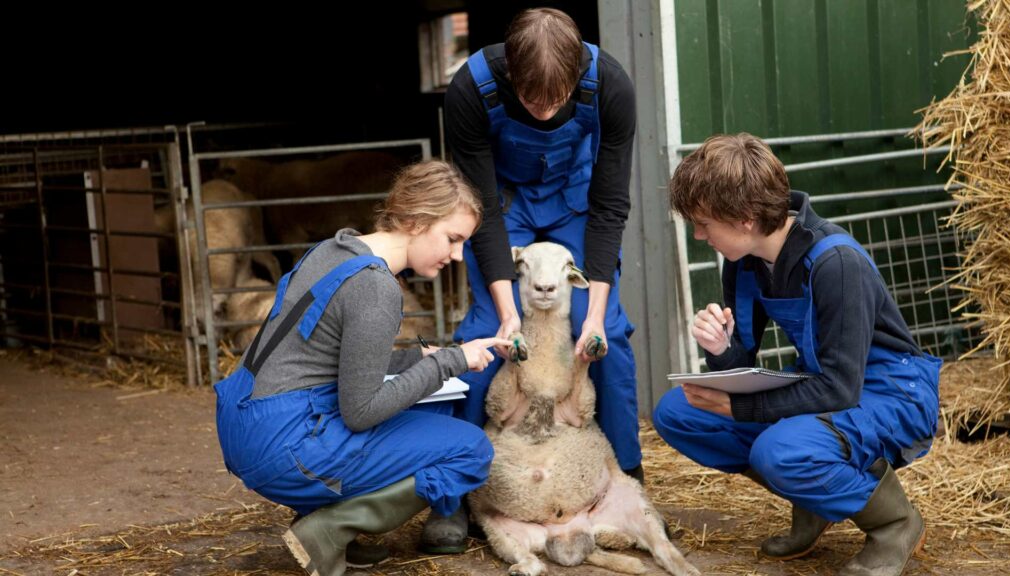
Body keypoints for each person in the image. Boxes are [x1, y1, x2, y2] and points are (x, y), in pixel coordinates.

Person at [653, 133, 941, 575]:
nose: (698, 234)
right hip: (823, 383)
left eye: (705, 222)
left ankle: (896, 523)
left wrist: (741, 406)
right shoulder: (744, 262)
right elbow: (744, 362)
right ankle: (816, 499)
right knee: (678, 412)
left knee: (779, 451)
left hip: (891, 391)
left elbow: (842, 386)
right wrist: (721, 351)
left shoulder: (835, 263)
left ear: (745, 218)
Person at [214, 160, 511, 576]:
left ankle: (328, 529)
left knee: (436, 410)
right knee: (471, 449)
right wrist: (451, 360)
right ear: (414, 221)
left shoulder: (335, 248)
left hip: (246, 420)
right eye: (453, 238)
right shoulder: (377, 288)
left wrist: (418, 360)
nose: (458, 255)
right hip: (285, 443)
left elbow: (334, 361)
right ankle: (329, 529)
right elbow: (361, 411)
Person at [443, 7, 642, 546]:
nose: (548, 112)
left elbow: (610, 207)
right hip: (502, 208)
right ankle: (453, 494)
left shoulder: (611, 86)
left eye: (559, 100)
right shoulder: (471, 91)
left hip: (578, 205)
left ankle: (625, 479)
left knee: (611, 336)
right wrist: (510, 316)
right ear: (511, 73)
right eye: (535, 102)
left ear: (577, 77)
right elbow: (478, 205)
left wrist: (596, 314)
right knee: (484, 332)